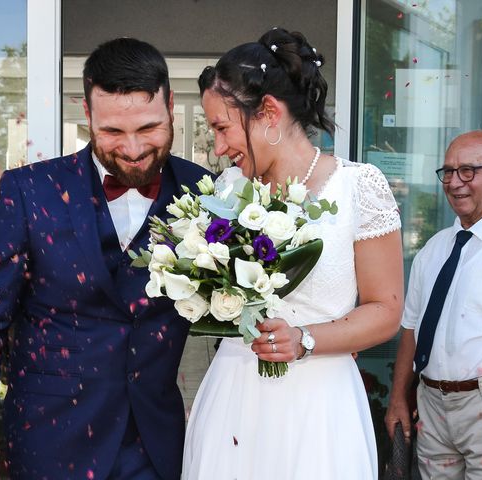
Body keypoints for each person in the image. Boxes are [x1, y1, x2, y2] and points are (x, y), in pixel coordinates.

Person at [0, 37, 211, 480]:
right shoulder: (30, 191)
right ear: (87, 115)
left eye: (148, 128)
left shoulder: (204, 193)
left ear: (170, 105)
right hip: (48, 440)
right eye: (112, 132)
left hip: (155, 443)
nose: (132, 148)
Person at [182, 28, 404, 479]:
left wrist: (304, 339)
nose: (219, 147)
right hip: (236, 395)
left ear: (268, 112)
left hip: (319, 405)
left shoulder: (359, 187)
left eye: (223, 127)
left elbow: (386, 310)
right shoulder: (227, 190)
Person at [385, 130, 482, 479]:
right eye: (448, 172)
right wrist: (398, 397)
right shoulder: (435, 249)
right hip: (432, 407)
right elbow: (411, 328)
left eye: (468, 170)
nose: (455, 182)